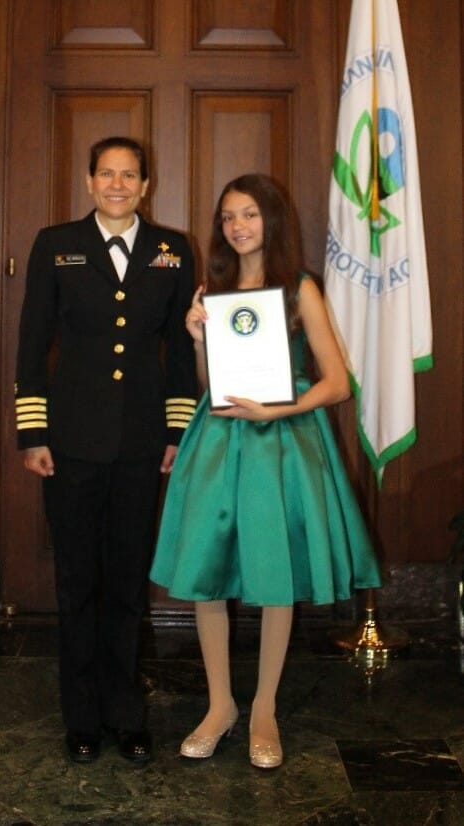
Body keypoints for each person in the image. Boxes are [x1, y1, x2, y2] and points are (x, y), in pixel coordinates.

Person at [150, 174, 382, 769]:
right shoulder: (216, 288)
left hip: (282, 440)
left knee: (276, 574)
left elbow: (335, 383)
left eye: (249, 214)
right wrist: (198, 339)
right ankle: (220, 704)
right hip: (220, 440)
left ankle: (263, 711)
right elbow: (211, 387)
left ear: (270, 220)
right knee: (205, 571)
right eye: (228, 217)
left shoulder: (300, 288)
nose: (237, 226)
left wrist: (282, 406)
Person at [15, 136, 197, 764]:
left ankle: (126, 713)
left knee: (125, 584)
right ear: (89, 182)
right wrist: (32, 432)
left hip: (142, 445)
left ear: (146, 185)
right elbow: (32, 342)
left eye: (130, 175)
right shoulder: (55, 245)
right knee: (76, 583)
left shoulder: (174, 251)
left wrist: (177, 430)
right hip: (69, 445)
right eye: (106, 174)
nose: (117, 184)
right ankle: (82, 716)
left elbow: (179, 352)